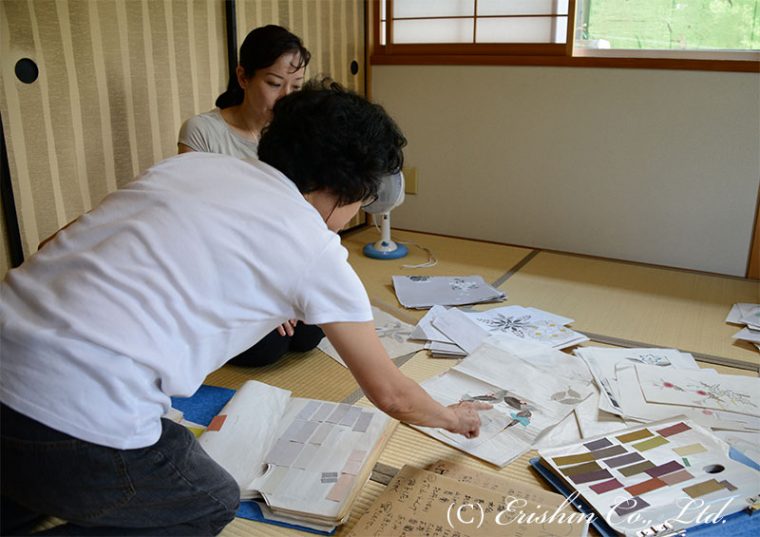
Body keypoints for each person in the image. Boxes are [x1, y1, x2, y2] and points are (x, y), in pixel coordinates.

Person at [0, 79, 490, 536]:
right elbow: (392, 394)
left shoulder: (190, 165)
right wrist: (453, 418)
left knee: (26, 478)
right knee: (205, 500)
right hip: (76, 416)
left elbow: (51, 243)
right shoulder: (313, 248)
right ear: (347, 190)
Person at [179, 24, 323, 368]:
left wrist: (286, 293)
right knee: (265, 350)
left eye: (296, 87)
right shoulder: (202, 131)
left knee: (310, 333)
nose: (286, 97)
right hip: (224, 268)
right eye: (274, 84)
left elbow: (296, 221)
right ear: (243, 77)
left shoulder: (294, 135)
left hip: (275, 264)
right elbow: (203, 227)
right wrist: (263, 300)